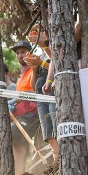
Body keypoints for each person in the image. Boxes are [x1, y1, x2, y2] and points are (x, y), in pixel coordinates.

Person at [24, 28, 58, 160]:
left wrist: (41, 62)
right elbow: (33, 85)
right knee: (49, 135)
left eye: (38, 31)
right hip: (40, 98)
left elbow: (56, 66)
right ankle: (57, 166)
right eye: (33, 32)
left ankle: (62, 164)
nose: (35, 34)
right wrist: (33, 69)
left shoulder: (53, 48)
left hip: (51, 94)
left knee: (56, 130)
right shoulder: (40, 54)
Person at [10, 40, 41, 175]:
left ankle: (20, 172)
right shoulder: (20, 78)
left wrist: (16, 99)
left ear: (30, 53)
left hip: (33, 114)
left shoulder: (36, 70)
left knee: (14, 133)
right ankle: (19, 173)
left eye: (23, 51)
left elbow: (37, 92)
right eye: (17, 53)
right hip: (21, 115)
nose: (20, 55)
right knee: (16, 141)